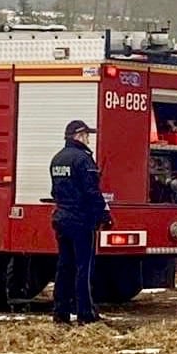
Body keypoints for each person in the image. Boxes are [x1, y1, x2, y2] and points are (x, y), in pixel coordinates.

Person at [49, 119, 109, 325]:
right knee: (84, 267)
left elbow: (54, 191)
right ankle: (85, 314)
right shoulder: (83, 160)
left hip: (62, 218)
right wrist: (104, 214)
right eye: (86, 135)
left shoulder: (57, 159)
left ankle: (60, 313)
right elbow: (91, 191)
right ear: (78, 136)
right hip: (81, 221)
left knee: (64, 267)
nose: (88, 139)